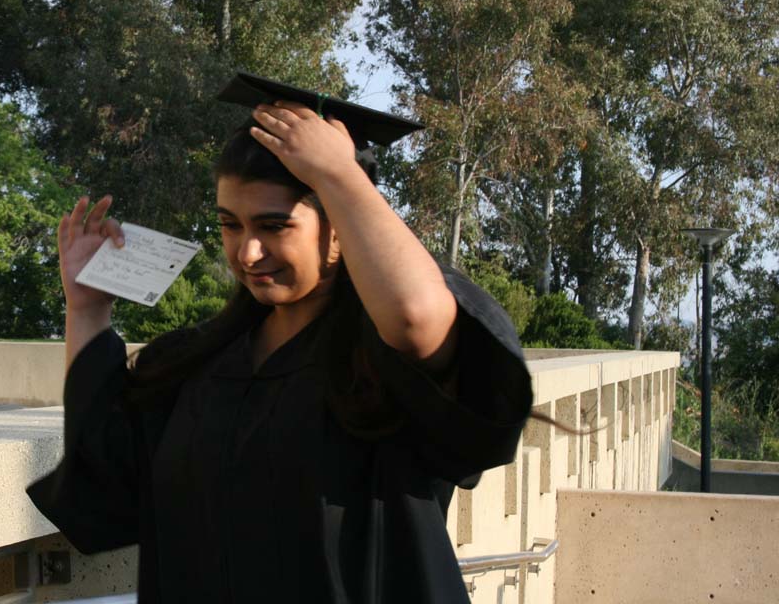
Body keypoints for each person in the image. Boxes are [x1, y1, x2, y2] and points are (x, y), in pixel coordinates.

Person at [28, 75, 533, 603]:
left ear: (338, 228)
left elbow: (414, 315)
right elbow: (106, 481)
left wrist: (339, 172)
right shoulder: (194, 364)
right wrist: (87, 308)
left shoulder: (380, 364)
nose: (247, 253)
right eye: (230, 224)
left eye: (274, 226)